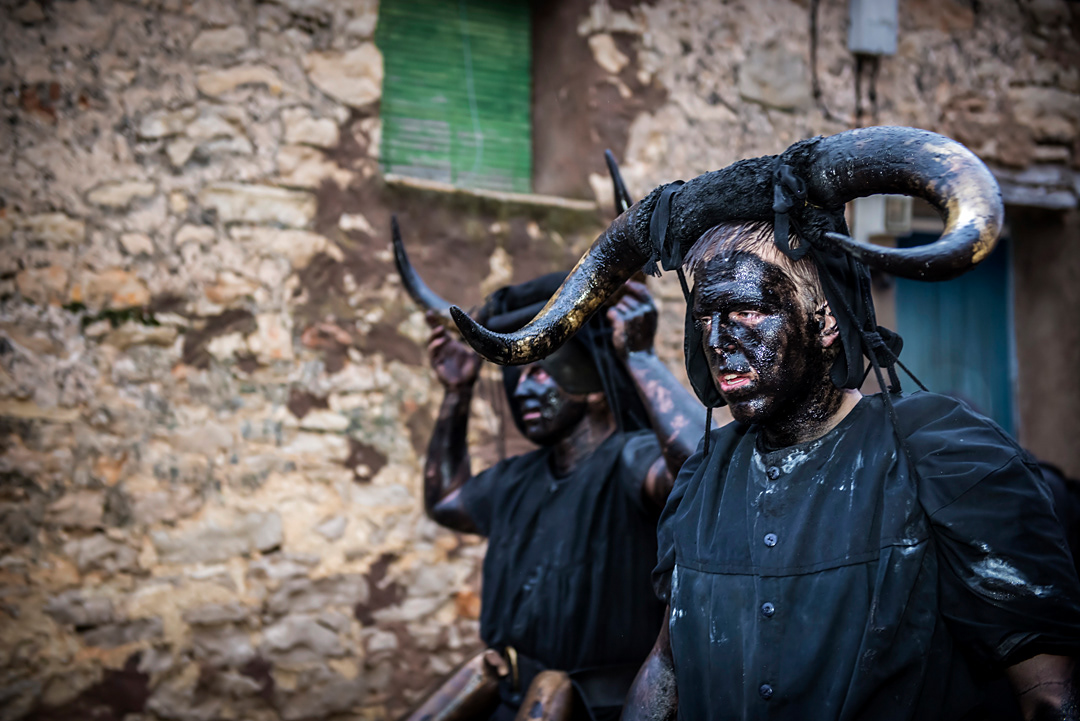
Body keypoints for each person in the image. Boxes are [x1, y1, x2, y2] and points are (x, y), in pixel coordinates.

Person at [446, 126, 1080, 720]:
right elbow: (667, 665)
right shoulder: (704, 479)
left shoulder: (938, 451)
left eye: (748, 310)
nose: (719, 340)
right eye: (705, 317)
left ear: (825, 319)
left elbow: (1047, 683)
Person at [393, 221, 706, 721]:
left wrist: (640, 358)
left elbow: (702, 472)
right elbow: (448, 502)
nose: (523, 389)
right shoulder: (519, 477)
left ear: (596, 383)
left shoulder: (632, 461)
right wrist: (457, 395)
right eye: (517, 376)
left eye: (542, 370)